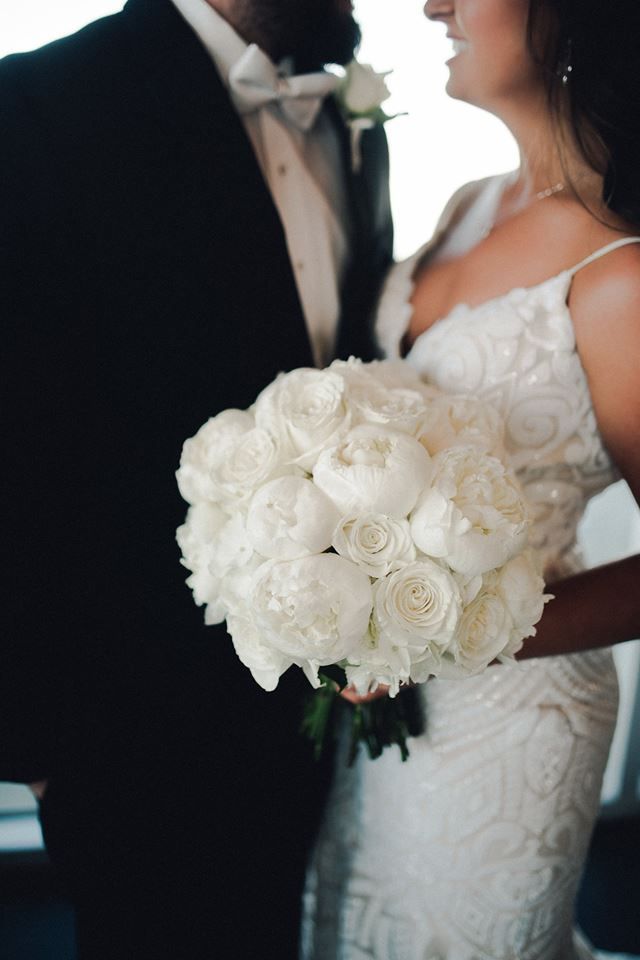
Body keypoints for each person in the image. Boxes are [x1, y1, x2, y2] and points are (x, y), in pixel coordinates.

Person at [0, 0, 393, 956]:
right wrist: (37, 744)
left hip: (334, 708)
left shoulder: (353, 119)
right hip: (136, 731)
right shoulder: (39, 105)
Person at [303, 0, 640, 956]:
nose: (433, 4)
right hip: (382, 702)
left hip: (519, 715)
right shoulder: (469, 203)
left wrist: (450, 629)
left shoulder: (622, 270)